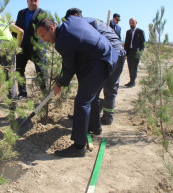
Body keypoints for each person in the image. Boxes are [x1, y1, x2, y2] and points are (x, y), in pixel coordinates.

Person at [36, 17, 118, 157]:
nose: (44, 40)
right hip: (104, 57)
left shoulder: (63, 40)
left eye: (44, 35)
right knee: (89, 96)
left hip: (101, 62)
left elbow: (69, 68)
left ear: (52, 28)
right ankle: (95, 128)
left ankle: (79, 147)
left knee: (81, 101)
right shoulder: (72, 21)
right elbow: (72, 60)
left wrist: (61, 83)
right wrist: (61, 80)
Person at [64, 8, 125, 126]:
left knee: (93, 87)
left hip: (110, 53)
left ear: (76, 16)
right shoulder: (95, 21)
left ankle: (95, 117)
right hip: (118, 53)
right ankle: (104, 117)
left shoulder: (83, 23)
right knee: (109, 87)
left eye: (70, 21)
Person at [15, 0, 46, 99]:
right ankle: (22, 92)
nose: (33, 2)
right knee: (19, 70)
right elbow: (16, 30)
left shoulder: (43, 13)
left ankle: (44, 93)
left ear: (38, 1)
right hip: (22, 47)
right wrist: (15, 45)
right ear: (27, 1)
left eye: (35, 0)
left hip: (37, 48)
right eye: (31, 0)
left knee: (41, 71)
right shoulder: (21, 13)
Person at [124, 18, 145, 87]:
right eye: (130, 23)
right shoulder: (128, 32)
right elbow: (126, 43)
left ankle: (133, 82)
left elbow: (143, 43)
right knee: (130, 67)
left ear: (136, 22)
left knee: (134, 67)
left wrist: (140, 52)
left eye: (133, 22)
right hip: (129, 52)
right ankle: (131, 81)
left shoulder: (140, 32)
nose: (131, 24)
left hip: (136, 53)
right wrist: (125, 53)